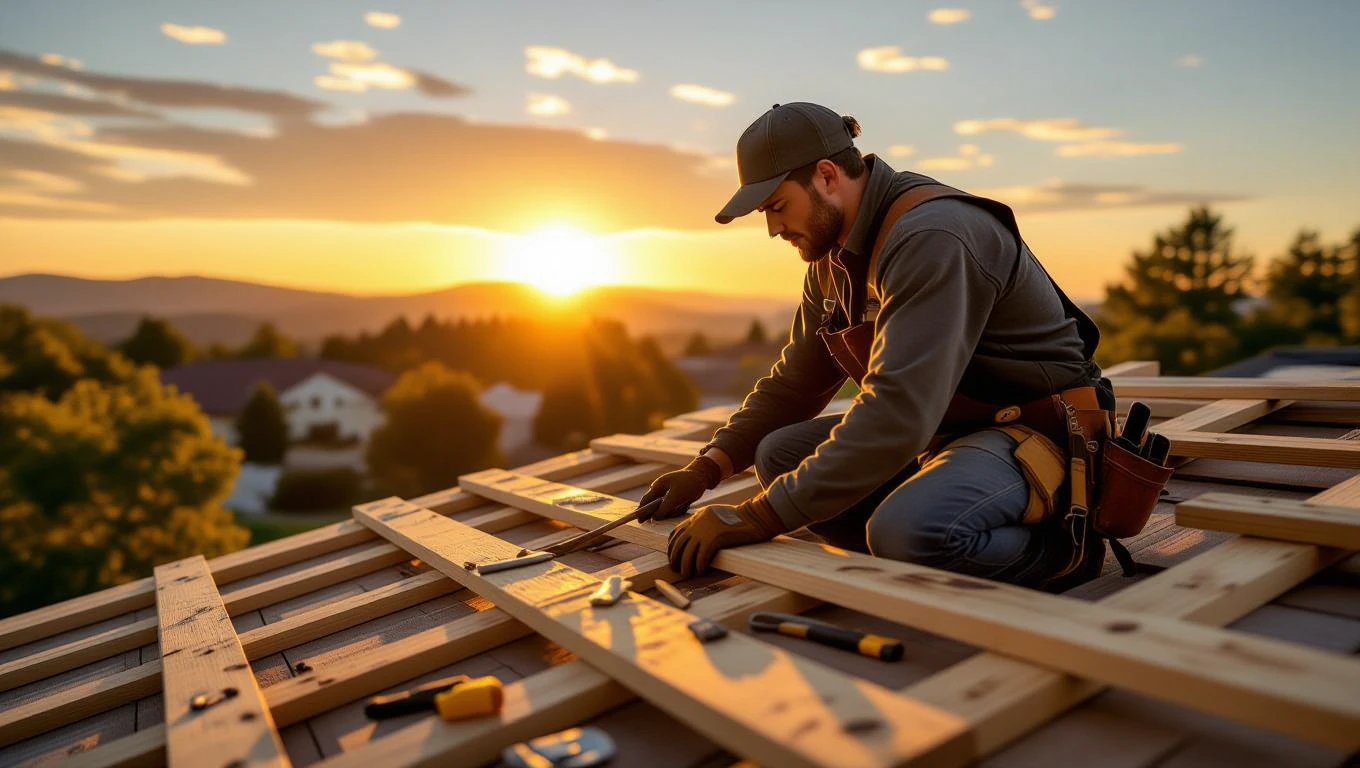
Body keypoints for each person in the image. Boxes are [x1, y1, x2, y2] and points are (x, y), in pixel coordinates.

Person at [641, 102, 1116, 591]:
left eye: (778, 206)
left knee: (909, 532)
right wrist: (706, 469)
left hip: (1037, 434)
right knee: (779, 454)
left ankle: (1063, 552)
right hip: (948, 431)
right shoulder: (830, 261)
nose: (773, 228)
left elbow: (898, 412)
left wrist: (758, 516)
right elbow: (795, 384)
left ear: (827, 176)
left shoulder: (933, 235)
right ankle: (908, 560)